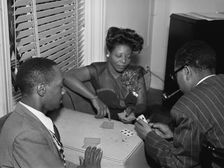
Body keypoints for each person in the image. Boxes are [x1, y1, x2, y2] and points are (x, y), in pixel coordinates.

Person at [135, 40, 224, 168]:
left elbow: (178, 164)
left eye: (175, 75)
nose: (176, 81)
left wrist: (149, 136)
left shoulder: (186, 107)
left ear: (186, 71)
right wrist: (174, 135)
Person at [0, 57, 102, 168]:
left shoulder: (28, 117)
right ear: (41, 89)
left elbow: (54, 162)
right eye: (60, 86)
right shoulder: (27, 135)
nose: (64, 91)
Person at [64, 27, 147, 122]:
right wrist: (93, 98)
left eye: (128, 57)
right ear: (108, 52)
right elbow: (67, 76)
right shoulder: (97, 70)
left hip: (133, 123)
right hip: (107, 122)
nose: (124, 61)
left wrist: (133, 111)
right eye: (118, 56)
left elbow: (142, 104)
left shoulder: (136, 72)